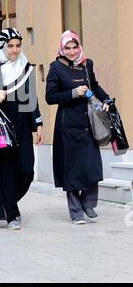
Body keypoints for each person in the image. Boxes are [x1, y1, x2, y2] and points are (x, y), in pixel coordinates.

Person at [0, 28, 44, 230]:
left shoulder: (25, 69)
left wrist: (38, 124)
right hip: (0, 128)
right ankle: (12, 213)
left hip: (22, 127)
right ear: (2, 46)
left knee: (26, 171)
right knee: (5, 170)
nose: (14, 50)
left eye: (17, 45)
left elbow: (31, 99)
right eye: (10, 46)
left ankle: (7, 200)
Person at [46, 30, 113, 225]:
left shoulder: (87, 64)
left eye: (75, 47)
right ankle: (75, 211)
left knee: (92, 167)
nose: (72, 51)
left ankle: (88, 203)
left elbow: (96, 86)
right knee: (72, 169)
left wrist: (107, 99)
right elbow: (50, 97)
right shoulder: (56, 67)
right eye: (68, 47)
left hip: (89, 124)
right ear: (62, 48)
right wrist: (73, 93)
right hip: (68, 126)